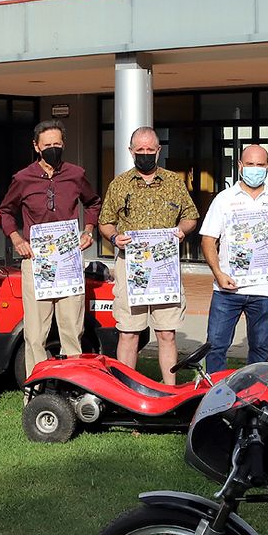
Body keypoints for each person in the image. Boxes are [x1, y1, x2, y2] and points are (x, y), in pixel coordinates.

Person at [97, 126, 200, 385]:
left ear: (158, 150)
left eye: (150, 149)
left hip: (164, 268)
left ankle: (170, 390)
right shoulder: (119, 184)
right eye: (140, 149)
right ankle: (125, 390)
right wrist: (114, 237)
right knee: (128, 333)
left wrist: (182, 230)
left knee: (166, 333)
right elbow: (105, 222)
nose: (145, 154)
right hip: (130, 265)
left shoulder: (174, 182)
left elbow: (191, 216)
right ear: (131, 151)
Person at [0, 119, 101, 379]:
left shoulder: (76, 174)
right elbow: (6, 211)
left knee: (72, 329)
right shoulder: (22, 178)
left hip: (68, 261)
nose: (52, 149)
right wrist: (16, 239)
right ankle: (36, 388)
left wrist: (88, 230)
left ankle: (73, 385)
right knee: (35, 333)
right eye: (47, 145)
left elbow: (93, 203)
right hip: (36, 261)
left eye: (57, 144)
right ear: (36, 147)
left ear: (63, 144)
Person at [199, 143, 268, 373]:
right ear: (240, 166)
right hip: (228, 287)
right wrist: (218, 273)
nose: (255, 169)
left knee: (260, 348)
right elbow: (208, 240)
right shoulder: (224, 199)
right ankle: (215, 390)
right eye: (250, 164)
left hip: (264, 288)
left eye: (260, 165)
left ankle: (255, 392)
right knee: (215, 346)